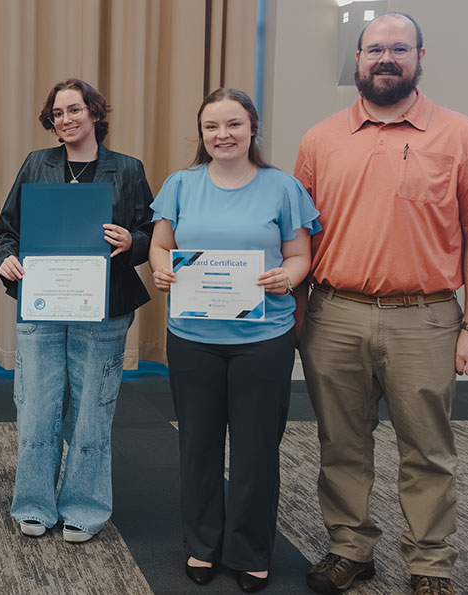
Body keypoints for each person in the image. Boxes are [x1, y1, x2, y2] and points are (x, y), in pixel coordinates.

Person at [294, 13, 468, 595]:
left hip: (427, 316)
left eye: (398, 49)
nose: (385, 59)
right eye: (374, 50)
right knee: (340, 442)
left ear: (419, 56)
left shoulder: (462, 134)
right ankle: (349, 548)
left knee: (429, 449)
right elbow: (298, 236)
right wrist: (297, 311)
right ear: (357, 59)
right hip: (333, 313)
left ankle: (431, 563)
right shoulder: (319, 139)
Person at [149, 88, 319, 592]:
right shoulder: (180, 185)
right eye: (211, 127)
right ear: (201, 134)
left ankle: (250, 551)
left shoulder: (282, 187)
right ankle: (202, 545)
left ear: (252, 129)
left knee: (256, 450)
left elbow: (299, 256)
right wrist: (163, 272)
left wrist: (286, 277)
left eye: (233, 125)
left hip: (263, 338)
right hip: (193, 337)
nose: (222, 135)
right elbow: (162, 246)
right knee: (197, 447)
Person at [0, 78, 154, 544]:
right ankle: (34, 504)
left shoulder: (126, 169)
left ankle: (84, 507)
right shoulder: (35, 165)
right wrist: (7, 257)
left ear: (95, 114)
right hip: (42, 305)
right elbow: (9, 230)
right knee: (37, 408)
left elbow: (149, 230)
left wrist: (132, 242)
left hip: (104, 308)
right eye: (58, 114)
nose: (66, 120)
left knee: (91, 412)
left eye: (74, 110)